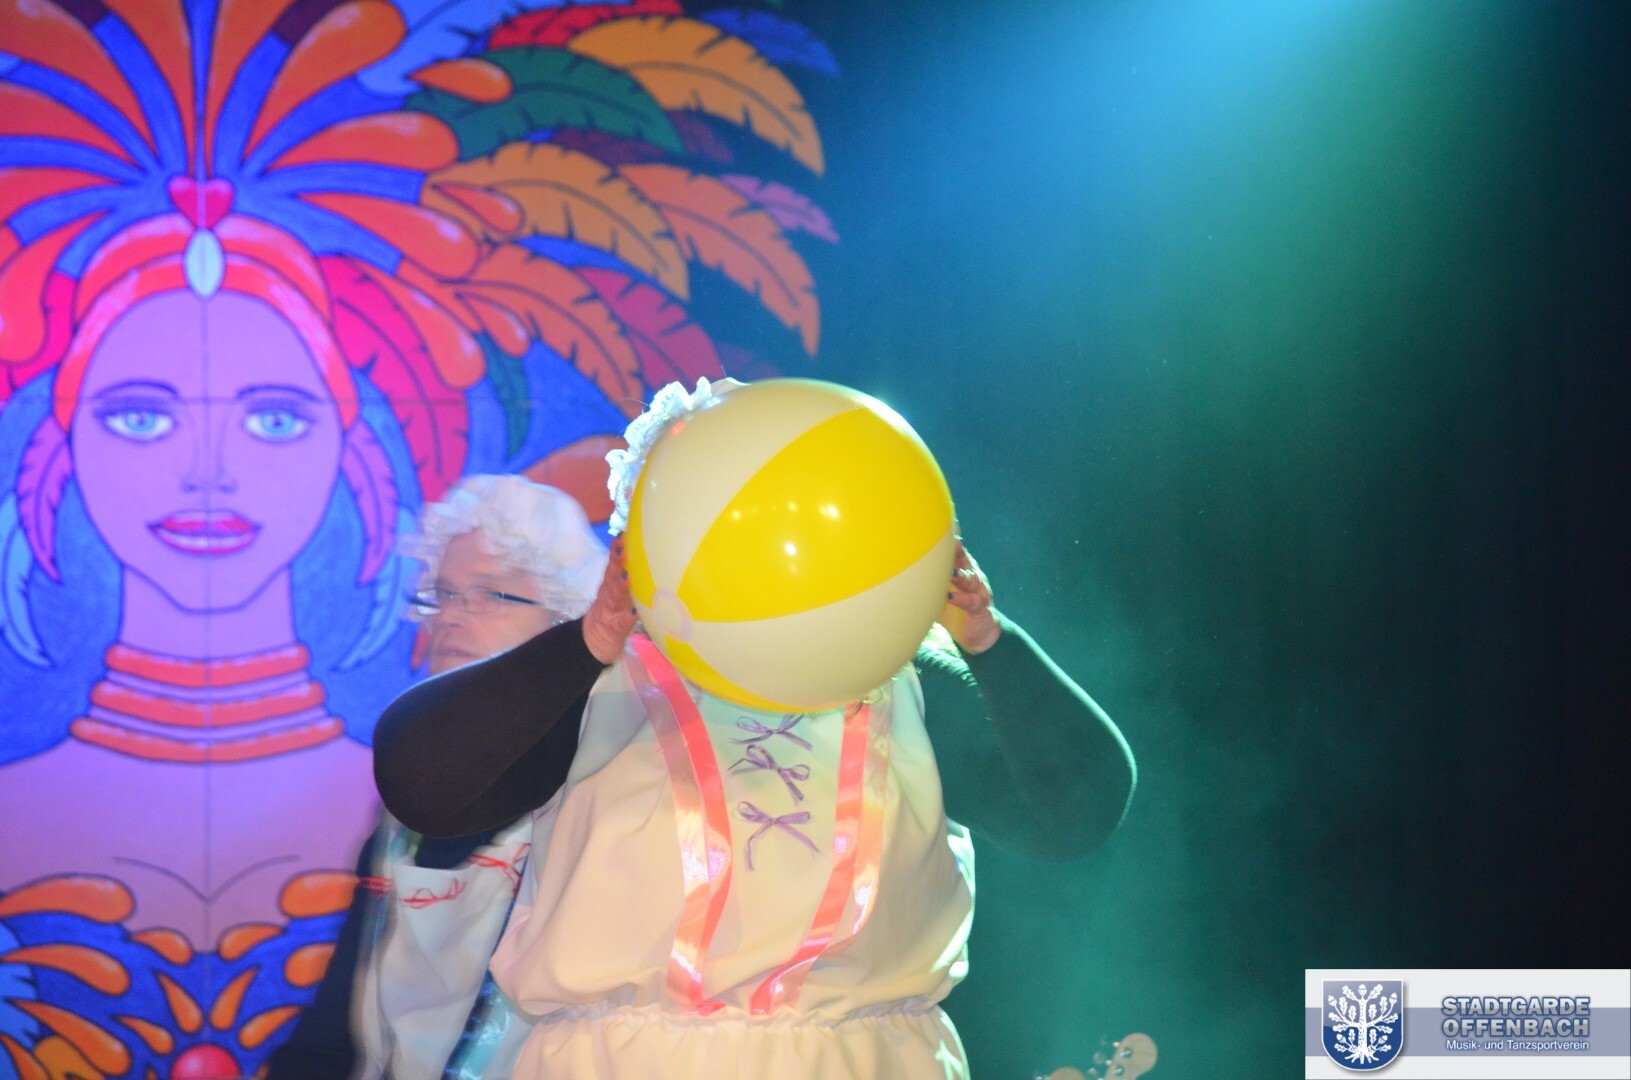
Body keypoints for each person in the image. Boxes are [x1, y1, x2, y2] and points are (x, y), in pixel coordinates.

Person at [373, 379, 1137, 1078]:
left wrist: (986, 639)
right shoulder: (596, 680)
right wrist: (591, 639)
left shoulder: (908, 685)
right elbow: (420, 785)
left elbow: (1077, 814)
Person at [268, 474, 606, 1080]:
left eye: (490, 595)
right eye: (442, 594)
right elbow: (339, 1016)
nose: (449, 617)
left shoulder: (600, 790)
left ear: (569, 621)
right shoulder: (405, 805)